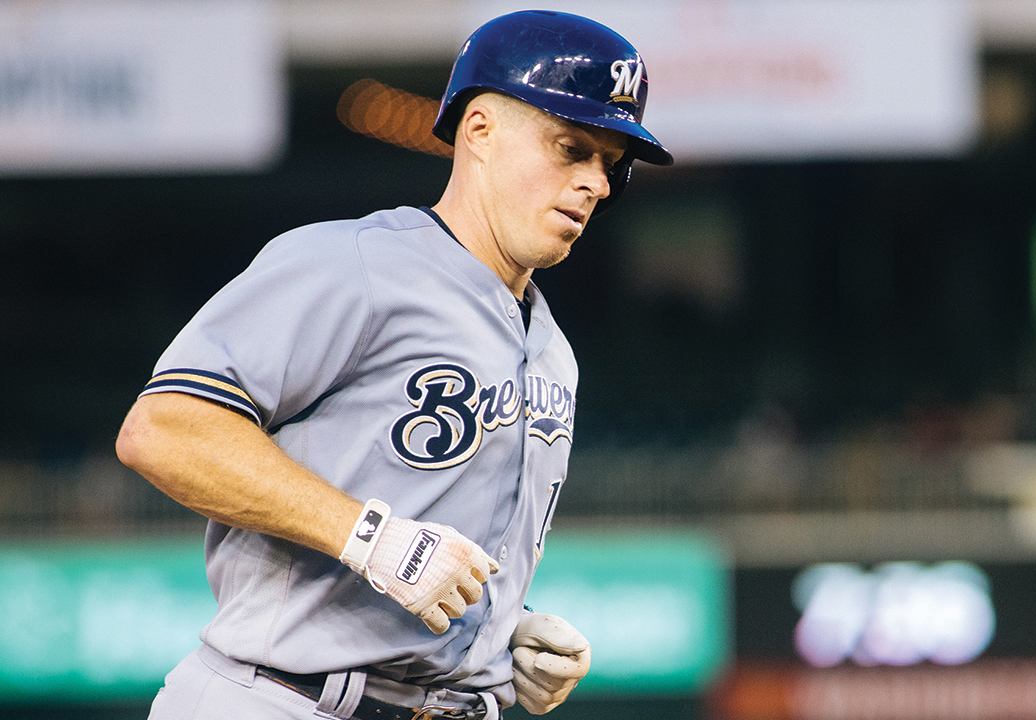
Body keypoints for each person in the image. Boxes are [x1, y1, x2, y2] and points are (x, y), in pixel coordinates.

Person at [114, 10, 672, 720]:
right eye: (572, 148)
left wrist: (502, 633)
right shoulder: (353, 264)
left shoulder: (554, 350)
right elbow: (162, 430)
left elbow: (433, 541)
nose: (597, 182)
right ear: (480, 131)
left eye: (610, 162)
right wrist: (367, 537)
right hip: (280, 698)